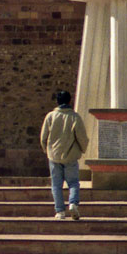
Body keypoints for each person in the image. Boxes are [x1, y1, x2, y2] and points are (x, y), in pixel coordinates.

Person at [40, 90, 89, 220]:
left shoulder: (50, 116)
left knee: (56, 185)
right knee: (73, 183)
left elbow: (43, 137)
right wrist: (82, 150)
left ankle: (60, 211)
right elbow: (82, 137)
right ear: (69, 101)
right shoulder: (75, 117)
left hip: (54, 156)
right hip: (71, 155)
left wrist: (48, 151)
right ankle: (73, 203)